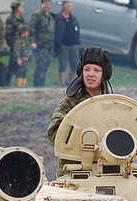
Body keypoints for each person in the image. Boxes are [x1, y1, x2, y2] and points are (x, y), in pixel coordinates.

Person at [47, 46, 113, 176]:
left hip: (105, 172)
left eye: (97, 70)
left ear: (104, 74)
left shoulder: (112, 103)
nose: (91, 74)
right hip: (72, 171)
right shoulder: (71, 101)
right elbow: (54, 133)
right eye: (86, 69)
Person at [54, 1, 80, 87]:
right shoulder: (58, 18)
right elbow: (55, 32)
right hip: (63, 45)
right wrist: (58, 43)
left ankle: (69, 81)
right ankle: (62, 82)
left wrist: (77, 40)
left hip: (73, 44)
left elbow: (77, 29)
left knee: (74, 64)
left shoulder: (73, 18)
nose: (72, 8)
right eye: (70, 6)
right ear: (65, 8)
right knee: (63, 64)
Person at [28, 0, 54, 87]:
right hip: (41, 44)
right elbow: (31, 28)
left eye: (49, 4)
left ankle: (42, 83)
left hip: (49, 45)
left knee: (46, 64)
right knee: (41, 65)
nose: (47, 6)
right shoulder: (37, 14)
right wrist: (32, 41)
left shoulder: (49, 16)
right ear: (41, 4)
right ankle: (37, 84)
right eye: (46, 4)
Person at [5, 1, 30, 87]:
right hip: (14, 44)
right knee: (13, 64)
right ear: (16, 9)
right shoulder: (11, 19)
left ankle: (22, 83)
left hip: (22, 44)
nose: (22, 8)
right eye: (20, 7)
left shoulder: (21, 18)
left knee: (22, 64)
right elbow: (9, 33)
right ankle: (6, 82)